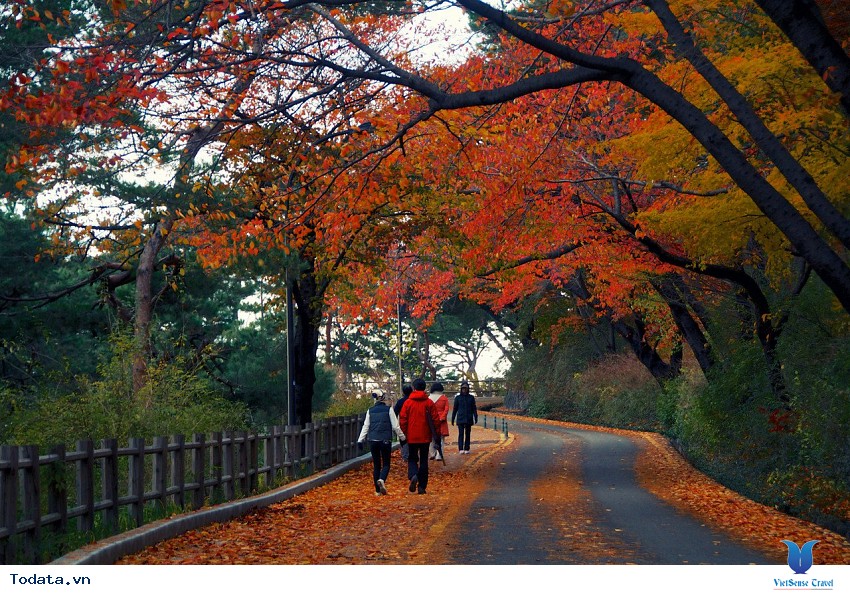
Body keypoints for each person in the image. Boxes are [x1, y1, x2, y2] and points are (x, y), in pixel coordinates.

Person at [358, 388, 406, 496]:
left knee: (376, 465)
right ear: (383, 397)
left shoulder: (370, 410)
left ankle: (377, 491)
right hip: (385, 440)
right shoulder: (389, 410)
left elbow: (366, 426)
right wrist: (402, 438)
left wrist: (360, 440)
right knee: (386, 464)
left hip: (373, 440)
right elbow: (395, 426)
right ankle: (382, 479)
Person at [399, 377, 439, 495]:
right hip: (425, 436)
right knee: (423, 460)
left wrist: (403, 434)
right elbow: (435, 420)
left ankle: (413, 475)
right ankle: (422, 487)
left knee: (412, 458)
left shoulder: (408, 403)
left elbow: (403, 419)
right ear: (424, 388)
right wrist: (436, 434)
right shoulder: (429, 403)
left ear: (414, 388)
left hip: (411, 436)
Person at [451, 380, 478, 454]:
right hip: (460, 418)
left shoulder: (471, 398)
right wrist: (453, 419)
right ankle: (460, 448)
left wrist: (475, 416)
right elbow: (455, 409)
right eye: (463, 388)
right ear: (461, 389)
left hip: (468, 418)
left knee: (468, 434)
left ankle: (467, 448)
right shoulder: (458, 398)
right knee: (461, 434)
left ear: (468, 389)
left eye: (465, 388)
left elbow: (474, 408)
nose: (464, 390)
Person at [428, 381, 450, 460]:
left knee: (431, 437)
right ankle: (439, 455)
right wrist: (442, 417)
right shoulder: (444, 398)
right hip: (441, 420)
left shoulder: (429, 398)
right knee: (441, 438)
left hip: (432, 420)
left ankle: (432, 453)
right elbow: (446, 409)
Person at [394, 384, 413, 461]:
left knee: (403, 439)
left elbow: (395, 413)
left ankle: (405, 455)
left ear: (403, 392)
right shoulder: (413, 400)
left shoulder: (400, 401)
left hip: (403, 423)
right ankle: (412, 454)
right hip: (413, 423)